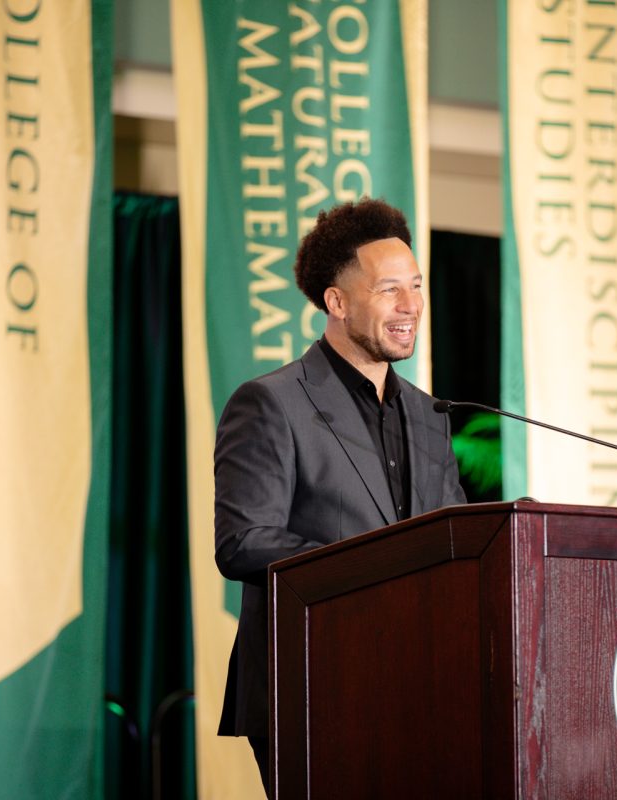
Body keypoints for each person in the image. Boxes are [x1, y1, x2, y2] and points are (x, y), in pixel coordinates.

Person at [213, 197, 467, 793]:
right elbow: (243, 542)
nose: (411, 307)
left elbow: (453, 542)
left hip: (424, 692)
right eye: (389, 291)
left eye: (416, 286)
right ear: (336, 301)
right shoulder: (273, 403)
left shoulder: (430, 416)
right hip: (316, 685)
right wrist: (377, 567)